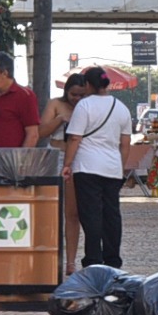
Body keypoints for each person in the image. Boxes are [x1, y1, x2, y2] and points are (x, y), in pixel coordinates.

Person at [62, 68, 132, 269]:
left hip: (87, 166)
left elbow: (75, 138)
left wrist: (67, 164)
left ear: (87, 85)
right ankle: (113, 259)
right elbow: (125, 143)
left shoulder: (84, 106)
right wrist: (120, 168)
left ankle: (93, 259)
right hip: (112, 168)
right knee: (112, 214)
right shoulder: (121, 108)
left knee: (91, 213)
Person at [40, 73, 93, 273]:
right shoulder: (55, 104)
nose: (76, 99)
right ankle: (49, 257)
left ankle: (70, 261)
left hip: (78, 159)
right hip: (57, 155)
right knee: (51, 209)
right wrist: (60, 119)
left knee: (73, 213)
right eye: (73, 95)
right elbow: (41, 131)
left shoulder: (88, 107)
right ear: (66, 92)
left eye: (81, 95)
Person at [0, 50, 40, 148]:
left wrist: (20, 161)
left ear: (4, 73)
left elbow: (32, 134)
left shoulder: (25, 96)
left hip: (12, 160)